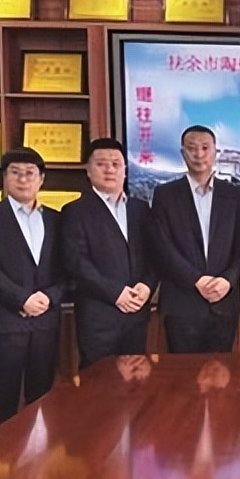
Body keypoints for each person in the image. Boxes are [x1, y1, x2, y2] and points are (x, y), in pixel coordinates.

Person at [0, 147, 65, 427]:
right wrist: (21, 299)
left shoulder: (56, 219)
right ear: (5, 177)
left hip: (46, 322)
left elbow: (68, 268)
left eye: (30, 173)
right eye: (15, 173)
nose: (23, 179)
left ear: (41, 179)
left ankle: (40, 453)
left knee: (43, 398)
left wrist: (49, 297)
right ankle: (5, 455)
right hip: (7, 323)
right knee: (5, 399)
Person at [149, 125, 240, 353]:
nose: (199, 154)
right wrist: (197, 280)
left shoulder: (233, 195)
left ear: (216, 152)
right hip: (182, 303)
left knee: (223, 371)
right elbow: (162, 247)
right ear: (183, 154)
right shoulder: (165, 195)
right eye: (192, 148)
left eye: (205, 148)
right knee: (183, 372)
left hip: (223, 302)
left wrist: (227, 280)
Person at [61, 138, 158, 368]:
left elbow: (154, 254)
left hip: (136, 314)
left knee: (136, 382)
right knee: (98, 382)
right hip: (99, 316)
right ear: (88, 170)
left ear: (125, 169)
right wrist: (115, 293)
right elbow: (76, 262)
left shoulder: (139, 209)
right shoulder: (75, 211)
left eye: (116, 164)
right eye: (101, 164)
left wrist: (147, 286)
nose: (109, 170)